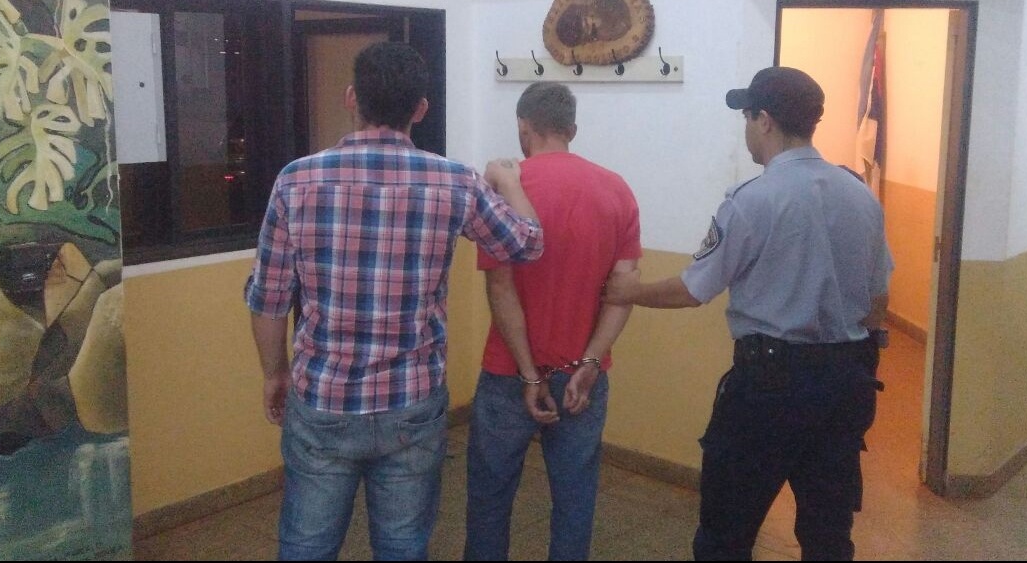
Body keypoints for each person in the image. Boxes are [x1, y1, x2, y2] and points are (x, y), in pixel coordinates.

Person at [244, 42, 544, 561]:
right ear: (420, 109)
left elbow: (269, 299)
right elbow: (528, 243)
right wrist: (511, 181)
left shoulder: (297, 179)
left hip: (322, 396)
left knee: (307, 545)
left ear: (351, 98)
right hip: (413, 400)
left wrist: (274, 374)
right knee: (403, 545)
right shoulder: (455, 181)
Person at [603, 66, 892, 561]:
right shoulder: (861, 196)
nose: (745, 130)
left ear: (764, 120)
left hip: (769, 389)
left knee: (726, 534)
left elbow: (693, 289)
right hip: (845, 385)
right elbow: (877, 301)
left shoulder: (751, 201)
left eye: (746, 117)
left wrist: (629, 290)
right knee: (828, 535)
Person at [464, 82, 642, 561]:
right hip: (582, 376)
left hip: (509, 371)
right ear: (572, 130)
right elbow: (622, 292)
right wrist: (590, 362)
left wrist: (528, 373)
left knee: (490, 498)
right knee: (575, 498)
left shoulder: (504, 189)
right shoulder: (616, 189)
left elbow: (501, 289)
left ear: (523, 126)